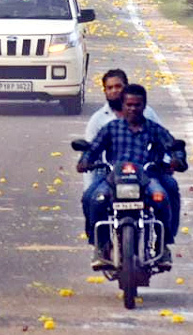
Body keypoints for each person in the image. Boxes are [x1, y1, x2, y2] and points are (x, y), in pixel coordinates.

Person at [77, 83, 183, 270]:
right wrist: (85, 160)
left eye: (137, 105)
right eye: (129, 104)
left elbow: (173, 145)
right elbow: (93, 148)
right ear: (123, 104)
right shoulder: (111, 128)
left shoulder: (154, 129)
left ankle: (163, 246)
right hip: (113, 179)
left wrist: (177, 159)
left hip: (148, 178)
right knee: (92, 199)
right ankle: (100, 247)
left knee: (162, 198)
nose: (133, 108)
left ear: (144, 105)